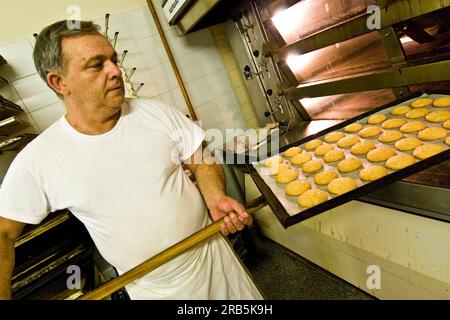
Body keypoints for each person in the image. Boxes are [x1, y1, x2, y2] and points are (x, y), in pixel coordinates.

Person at [0, 20, 263, 300]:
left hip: (214, 258)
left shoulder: (156, 113)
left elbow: (200, 157)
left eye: (113, 60)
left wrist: (214, 196)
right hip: (153, 289)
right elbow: (3, 233)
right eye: (96, 64)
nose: (116, 71)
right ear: (59, 81)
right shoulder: (39, 160)